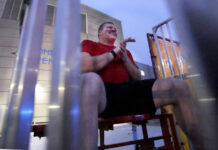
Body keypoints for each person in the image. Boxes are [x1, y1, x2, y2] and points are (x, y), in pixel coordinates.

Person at [80, 22, 204, 150]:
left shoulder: (125, 52)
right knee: (91, 79)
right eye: (109, 27)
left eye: (115, 28)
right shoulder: (89, 44)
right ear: (99, 32)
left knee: (179, 87)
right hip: (103, 97)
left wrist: (124, 58)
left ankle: (203, 146)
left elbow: (137, 77)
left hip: (127, 94)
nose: (113, 29)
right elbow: (85, 66)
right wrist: (114, 52)